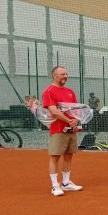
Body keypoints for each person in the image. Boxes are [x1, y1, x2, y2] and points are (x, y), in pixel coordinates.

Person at [42, 66, 84, 196]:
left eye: (66, 74)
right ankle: (55, 186)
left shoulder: (70, 92)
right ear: (55, 76)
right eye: (62, 74)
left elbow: (76, 109)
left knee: (69, 155)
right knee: (55, 156)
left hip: (71, 129)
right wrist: (68, 120)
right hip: (58, 129)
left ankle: (66, 183)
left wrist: (76, 120)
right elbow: (53, 111)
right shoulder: (49, 91)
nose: (65, 76)